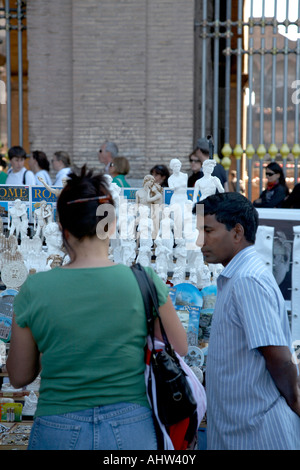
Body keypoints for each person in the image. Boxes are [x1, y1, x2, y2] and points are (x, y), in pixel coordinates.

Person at [6, 165, 188, 450]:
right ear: (111, 224)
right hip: (131, 426)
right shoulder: (145, 281)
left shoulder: (33, 289)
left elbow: (18, 375)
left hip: (57, 425)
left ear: (62, 229)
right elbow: (179, 347)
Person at [193, 192, 300, 450]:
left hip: (258, 432)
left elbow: (279, 358)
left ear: (237, 232)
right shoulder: (237, 275)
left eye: (208, 230)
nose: (200, 240)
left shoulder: (247, 279)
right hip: (240, 428)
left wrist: (296, 402)